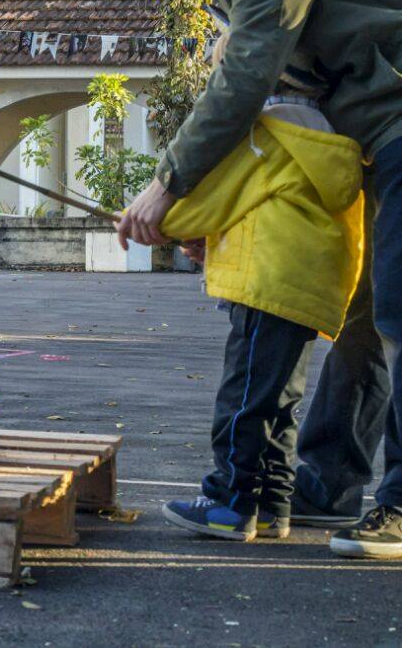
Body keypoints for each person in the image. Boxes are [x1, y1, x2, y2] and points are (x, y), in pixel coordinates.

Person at [81, 0, 402, 557]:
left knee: (399, 310)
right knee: (362, 318)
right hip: (375, 126)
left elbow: (252, 75)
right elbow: (284, 83)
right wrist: (215, 221)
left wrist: (169, 186)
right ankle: (325, 484)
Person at [154, 35, 364, 541]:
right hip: (303, 285)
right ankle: (272, 504)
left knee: (244, 395)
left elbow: (214, 193)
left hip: (264, 279)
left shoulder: (263, 130)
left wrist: (165, 221)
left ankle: (230, 500)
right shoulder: (323, 133)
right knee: (279, 400)